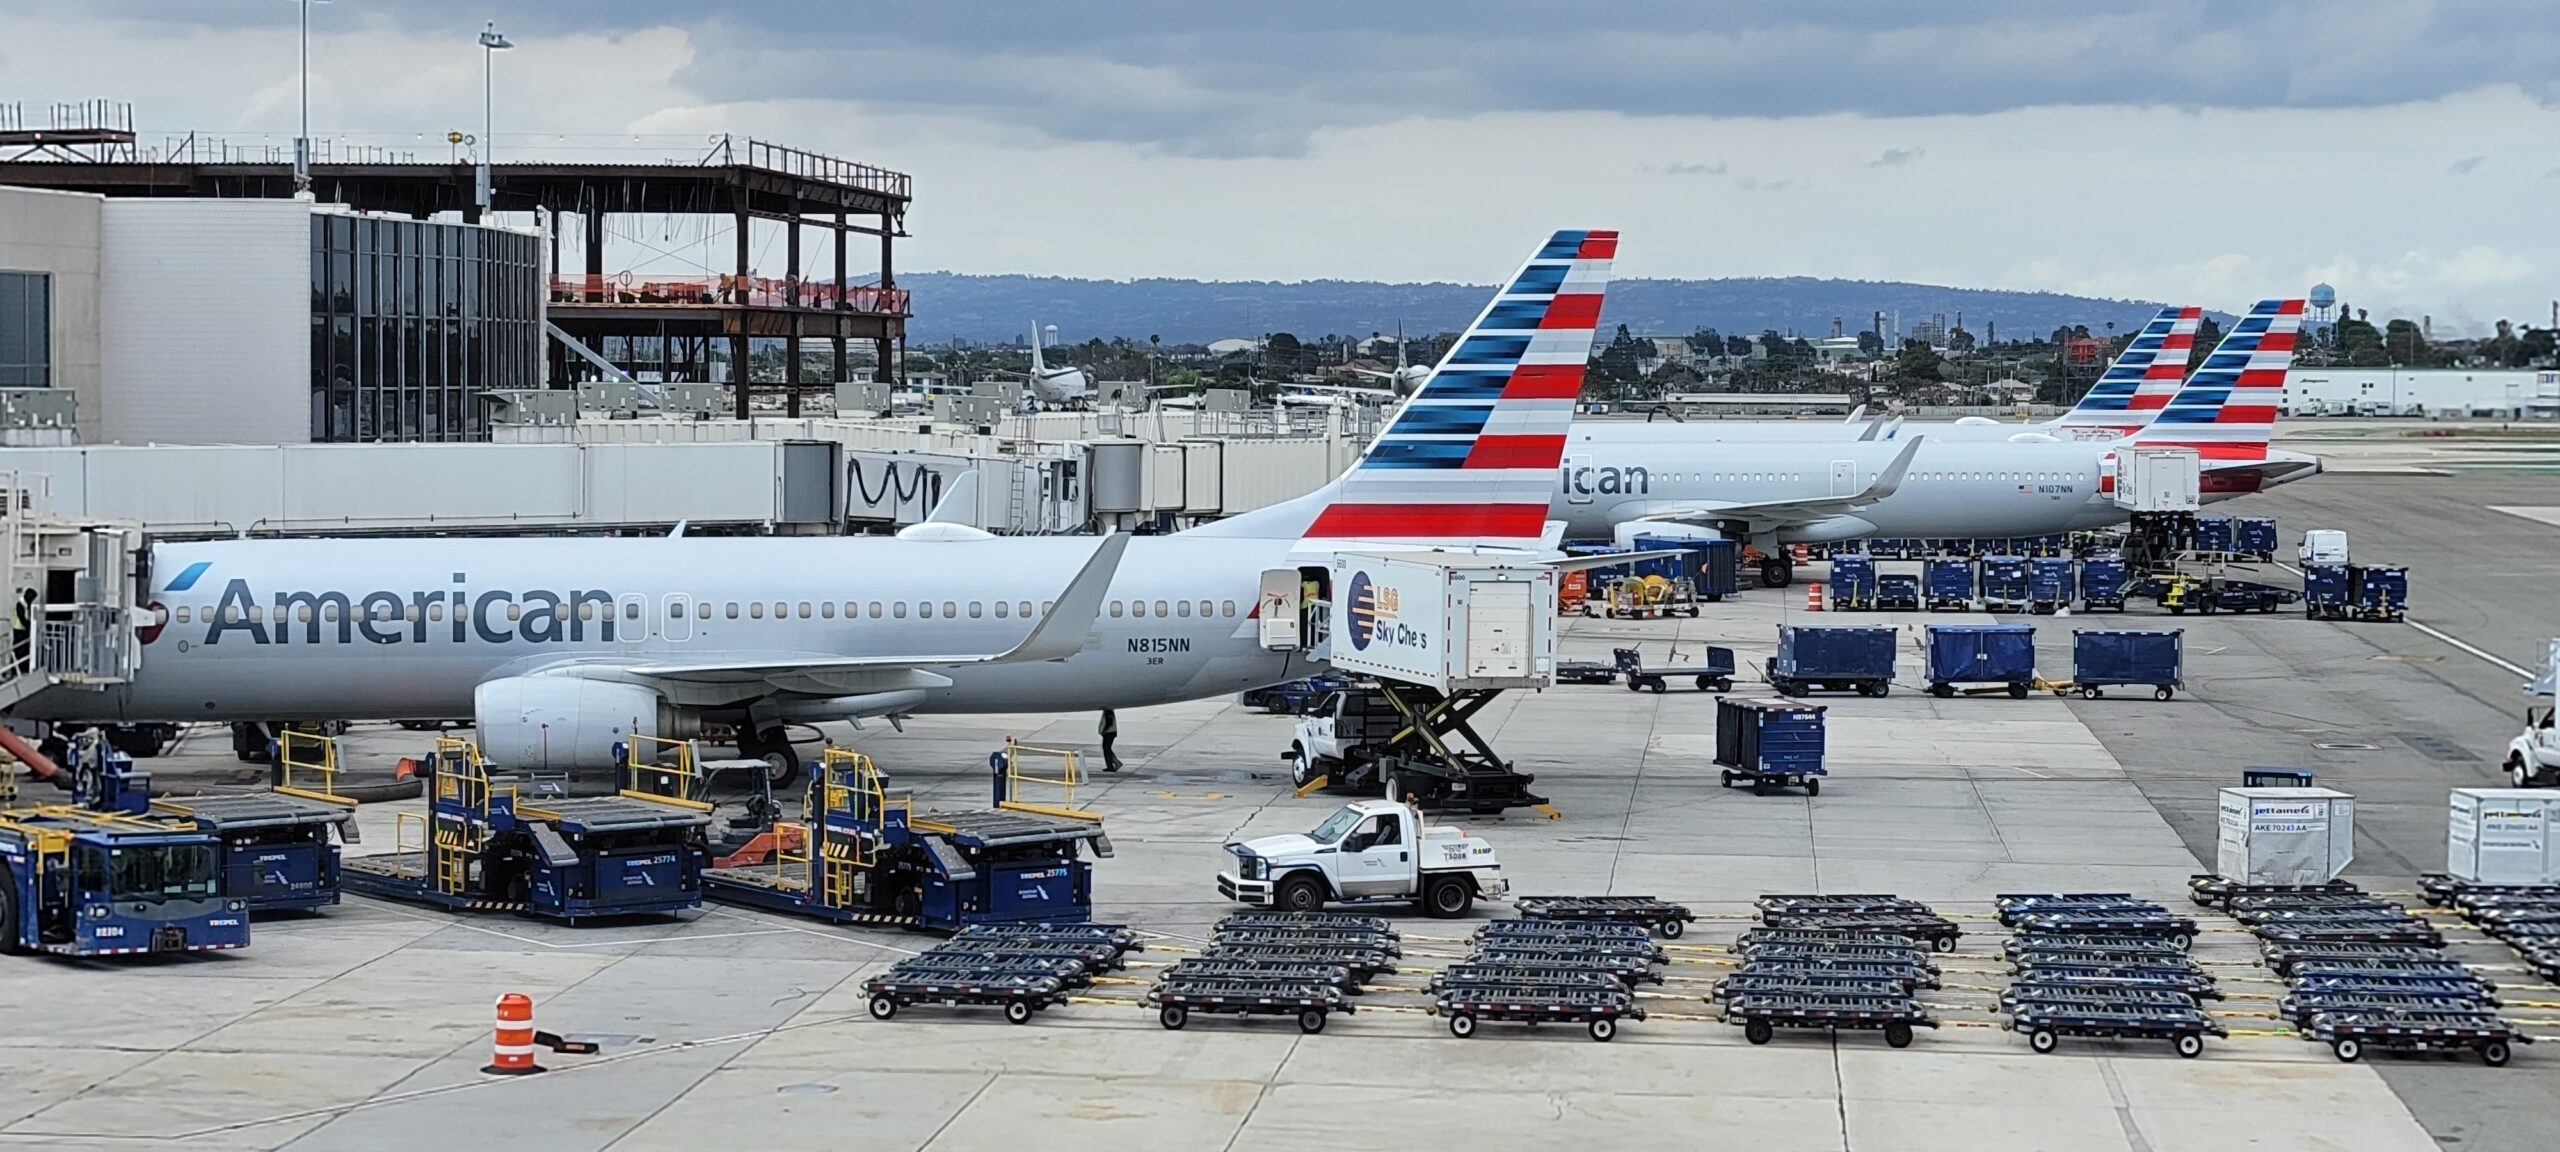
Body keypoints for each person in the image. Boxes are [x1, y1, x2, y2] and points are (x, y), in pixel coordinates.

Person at [1098, 708, 1123, 773]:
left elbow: (1109, 722)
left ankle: (1113, 764)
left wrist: (1104, 731)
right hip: (1110, 732)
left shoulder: (1108, 711)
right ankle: (1113, 764)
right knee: (1107, 748)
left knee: (1106, 748)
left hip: (1109, 732)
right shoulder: (1108, 710)